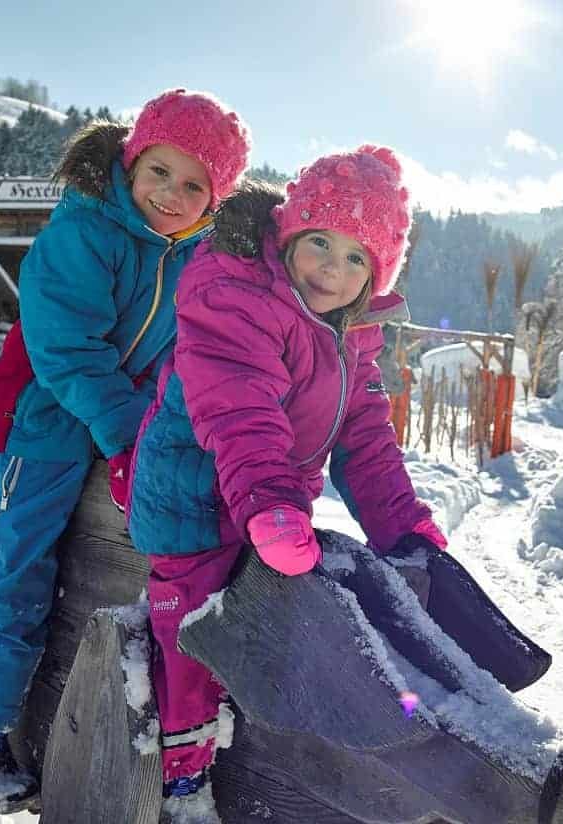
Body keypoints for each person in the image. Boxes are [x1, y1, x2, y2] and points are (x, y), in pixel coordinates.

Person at [0, 89, 250, 814]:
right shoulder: (85, 231)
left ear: (214, 198)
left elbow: (181, 354)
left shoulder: (193, 257)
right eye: (159, 171)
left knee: (122, 553)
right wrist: (132, 433)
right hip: (37, 424)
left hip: (112, 427)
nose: (171, 194)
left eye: (195, 184)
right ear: (132, 162)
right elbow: (67, 348)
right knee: (20, 559)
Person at [126, 145, 447, 816]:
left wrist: (401, 523)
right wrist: (271, 504)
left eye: (358, 257)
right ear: (288, 234)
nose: (334, 268)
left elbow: (366, 440)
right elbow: (242, 409)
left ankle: (273, 743)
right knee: (195, 623)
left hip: (266, 506)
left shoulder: (348, 335)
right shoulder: (236, 294)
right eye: (321, 242)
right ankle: (182, 774)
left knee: (287, 613)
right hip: (194, 491)